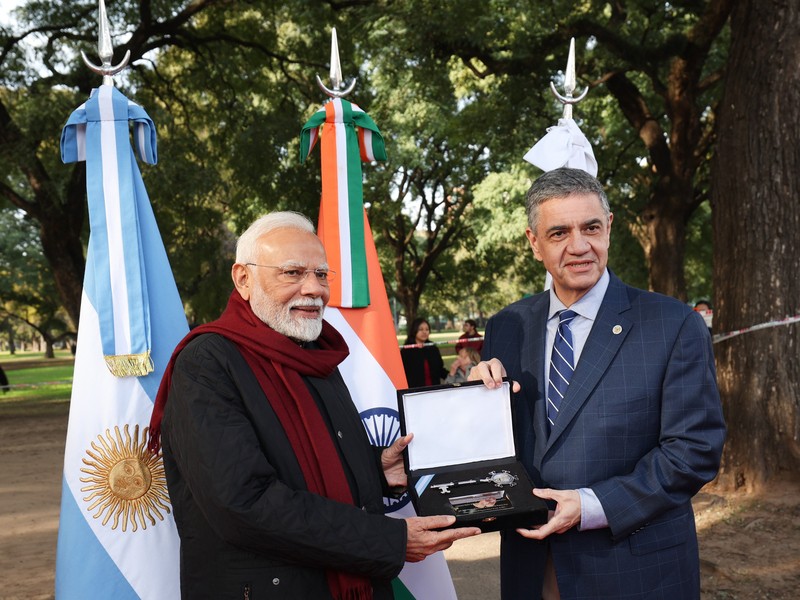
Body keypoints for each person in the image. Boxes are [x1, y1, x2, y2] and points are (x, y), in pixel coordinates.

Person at [149, 211, 479, 599]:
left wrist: (376, 468)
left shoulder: (315, 352)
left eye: (321, 275)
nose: (314, 289)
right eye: (292, 273)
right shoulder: (207, 363)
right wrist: (386, 539)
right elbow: (242, 504)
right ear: (243, 279)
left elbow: (308, 462)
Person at [469, 168, 726, 599]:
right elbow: (493, 454)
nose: (579, 246)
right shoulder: (506, 328)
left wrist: (591, 506)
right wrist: (473, 402)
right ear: (534, 243)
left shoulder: (672, 323)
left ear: (608, 227)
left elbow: (694, 451)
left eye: (590, 227)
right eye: (558, 233)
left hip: (636, 571)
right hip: (531, 568)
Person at [400, 317, 446, 387]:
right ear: (414, 330)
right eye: (421, 329)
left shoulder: (433, 348)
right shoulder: (406, 351)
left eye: (427, 329)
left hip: (434, 390)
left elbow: (440, 370)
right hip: (414, 391)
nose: (424, 332)